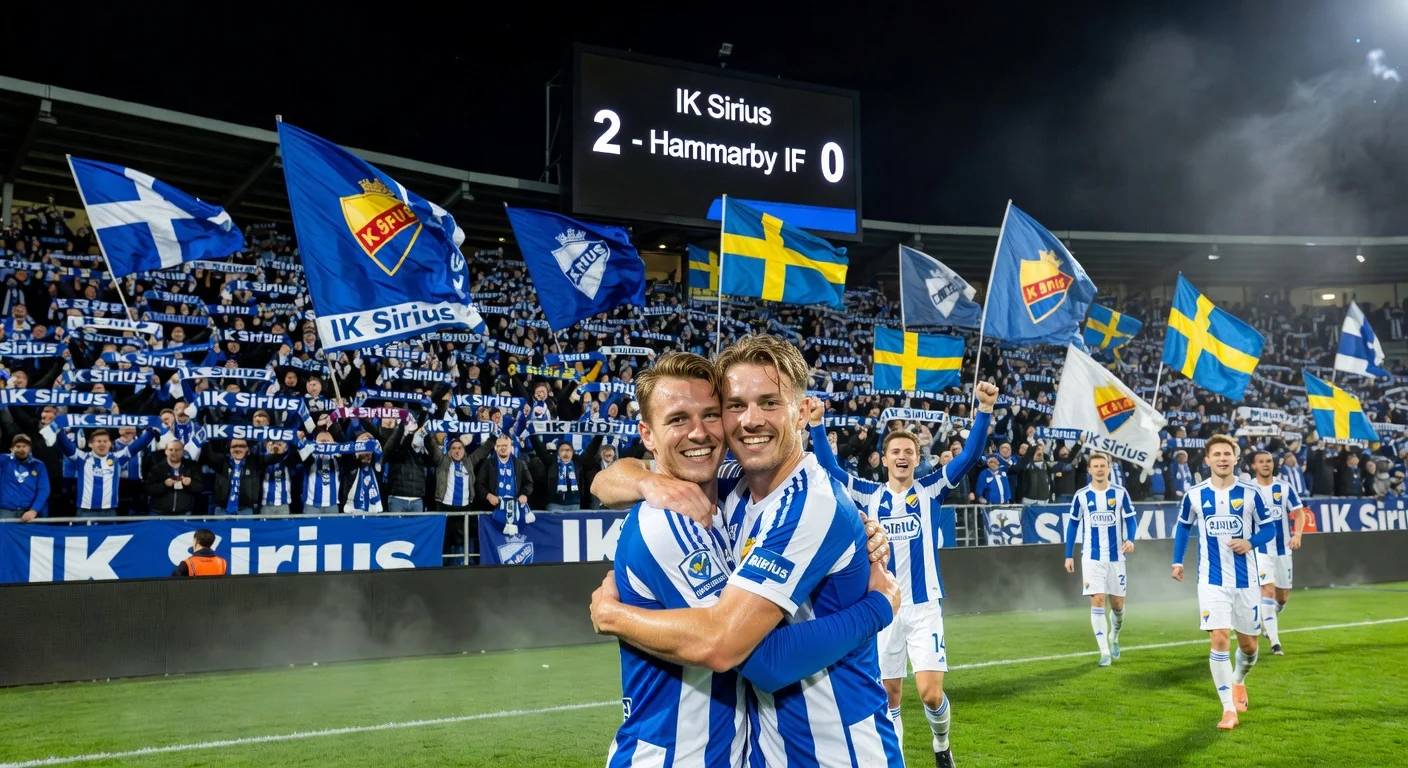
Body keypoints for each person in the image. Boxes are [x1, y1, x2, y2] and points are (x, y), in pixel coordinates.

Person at [590, 335, 906, 768]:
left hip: (838, 755)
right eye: (736, 405)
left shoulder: (808, 505)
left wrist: (878, 608)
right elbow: (605, 480)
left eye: (770, 403)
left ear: (801, 411)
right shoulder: (730, 490)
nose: (750, 420)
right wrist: (645, 480)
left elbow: (751, 655)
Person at [809, 382, 997, 767]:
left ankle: (941, 744)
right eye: (895, 451)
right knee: (890, 694)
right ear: (884, 457)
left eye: (908, 452)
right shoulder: (867, 493)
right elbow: (828, 468)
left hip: (924, 606)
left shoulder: (931, 488)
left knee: (929, 694)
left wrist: (985, 410)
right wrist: (816, 425)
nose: (902, 456)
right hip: (884, 607)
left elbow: (972, 454)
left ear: (916, 458)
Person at [1171, 434, 1277, 730]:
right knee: (1219, 638)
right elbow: (1183, 529)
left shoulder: (1251, 493)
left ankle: (1239, 680)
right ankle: (1228, 709)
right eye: (1216, 454)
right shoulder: (1194, 494)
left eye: (1226, 454)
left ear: (1235, 458)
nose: (1221, 458)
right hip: (1210, 579)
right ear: (1207, 460)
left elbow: (1269, 530)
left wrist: (1250, 541)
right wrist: (1177, 561)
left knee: (1250, 647)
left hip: (1246, 581)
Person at [1063, 453, 1137, 666]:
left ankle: (1114, 635)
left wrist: (1130, 539)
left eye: (1103, 466)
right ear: (1089, 470)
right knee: (1097, 601)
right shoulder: (1082, 495)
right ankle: (1104, 651)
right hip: (1091, 558)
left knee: (1117, 606)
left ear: (1109, 468)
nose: (1099, 469)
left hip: (1116, 558)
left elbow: (1131, 520)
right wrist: (1069, 555)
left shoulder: (1120, 493)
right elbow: (1073, 525)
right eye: (1095, 466)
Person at [1248, 450, 1308, 656]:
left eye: (1269, 461)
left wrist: (1297, 534)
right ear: (1254, 466)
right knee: (1267, 589)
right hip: (1260, 551)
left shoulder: (1284, 487)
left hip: (1283, 550)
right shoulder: (1248, 489)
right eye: (1261, 462)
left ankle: (1269, 618)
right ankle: (1275, 643)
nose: (1266, 464)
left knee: (1281, 597)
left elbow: (1299, 513)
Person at [57, 427, 157, 517]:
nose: (102, 444)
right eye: (98, 441)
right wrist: (58, 430)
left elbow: (136, 447)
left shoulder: (117, 458)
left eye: (105, 441)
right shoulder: (82, 458)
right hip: (86, 512)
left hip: (110, 512)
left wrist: (151, 432)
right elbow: (66, 446)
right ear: (90, 444)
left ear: (110, 443)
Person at [477, 434, 532, 535]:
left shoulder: (520, 463)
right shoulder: (488, 463)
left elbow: (529, 483)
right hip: (493, 509)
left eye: (505, 445)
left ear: (511, 447)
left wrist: (524, 494)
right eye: (499, 445)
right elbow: (479, 484)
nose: (502, 448)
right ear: (495, 448)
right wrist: (488, 495)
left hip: (515, 508)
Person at [146, 440, 203, 516]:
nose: (173, 452)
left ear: (183, 451)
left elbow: (200, 488)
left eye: (177, 450)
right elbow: (148, 489)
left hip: (184, 513)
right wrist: (164, 485)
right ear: (166, 451)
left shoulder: (193, 466)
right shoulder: (156, 467)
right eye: (170, 450)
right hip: (159, 513)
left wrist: (190, 483)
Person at [0, 434, 48, 521]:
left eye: (24, 446)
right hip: (6, 511)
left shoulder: (39, 465)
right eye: (18, 446)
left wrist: (34, 510)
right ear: (12, 448)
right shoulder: (3, 461)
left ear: (30, 448)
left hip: (29, 512)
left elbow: (44, 489)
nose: (21, 449)